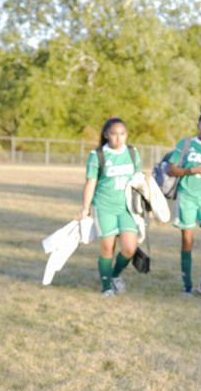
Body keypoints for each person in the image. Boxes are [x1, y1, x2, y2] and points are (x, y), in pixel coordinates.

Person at [78, 117, 141, 298]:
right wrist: (85, 207)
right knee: (107, 247)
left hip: (126, 207)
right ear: (106, 135)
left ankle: (115, 274)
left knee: (129, 248)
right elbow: (91, 183)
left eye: (122, 134)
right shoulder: (97, 155)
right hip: (104, 206)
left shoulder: (132, 153)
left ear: (126, 134)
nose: (118, 138)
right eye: (113, 134)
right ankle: (106, 287)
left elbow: (138, 180)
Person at [166, 102, 201, 299]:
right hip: (187, 196)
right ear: (198, 126)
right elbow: (170, 169)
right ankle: (187, 285)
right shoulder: (186, 144)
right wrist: (191, 170)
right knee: (187, 241)